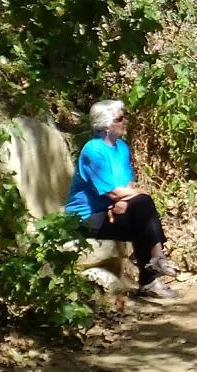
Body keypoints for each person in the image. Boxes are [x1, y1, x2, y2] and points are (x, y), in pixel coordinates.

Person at [66, 100, 180, 299]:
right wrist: (135, 195)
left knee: (141, 213)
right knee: (143, 203)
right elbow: (115, 193)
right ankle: (155, 267)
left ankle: (152, 272)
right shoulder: (93, 151)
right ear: (105, 125)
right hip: (87, 219)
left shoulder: (121, 148)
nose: (125, 121)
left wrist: (127, 201)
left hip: (112, 210)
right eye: (119, 119)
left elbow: (126, 188)